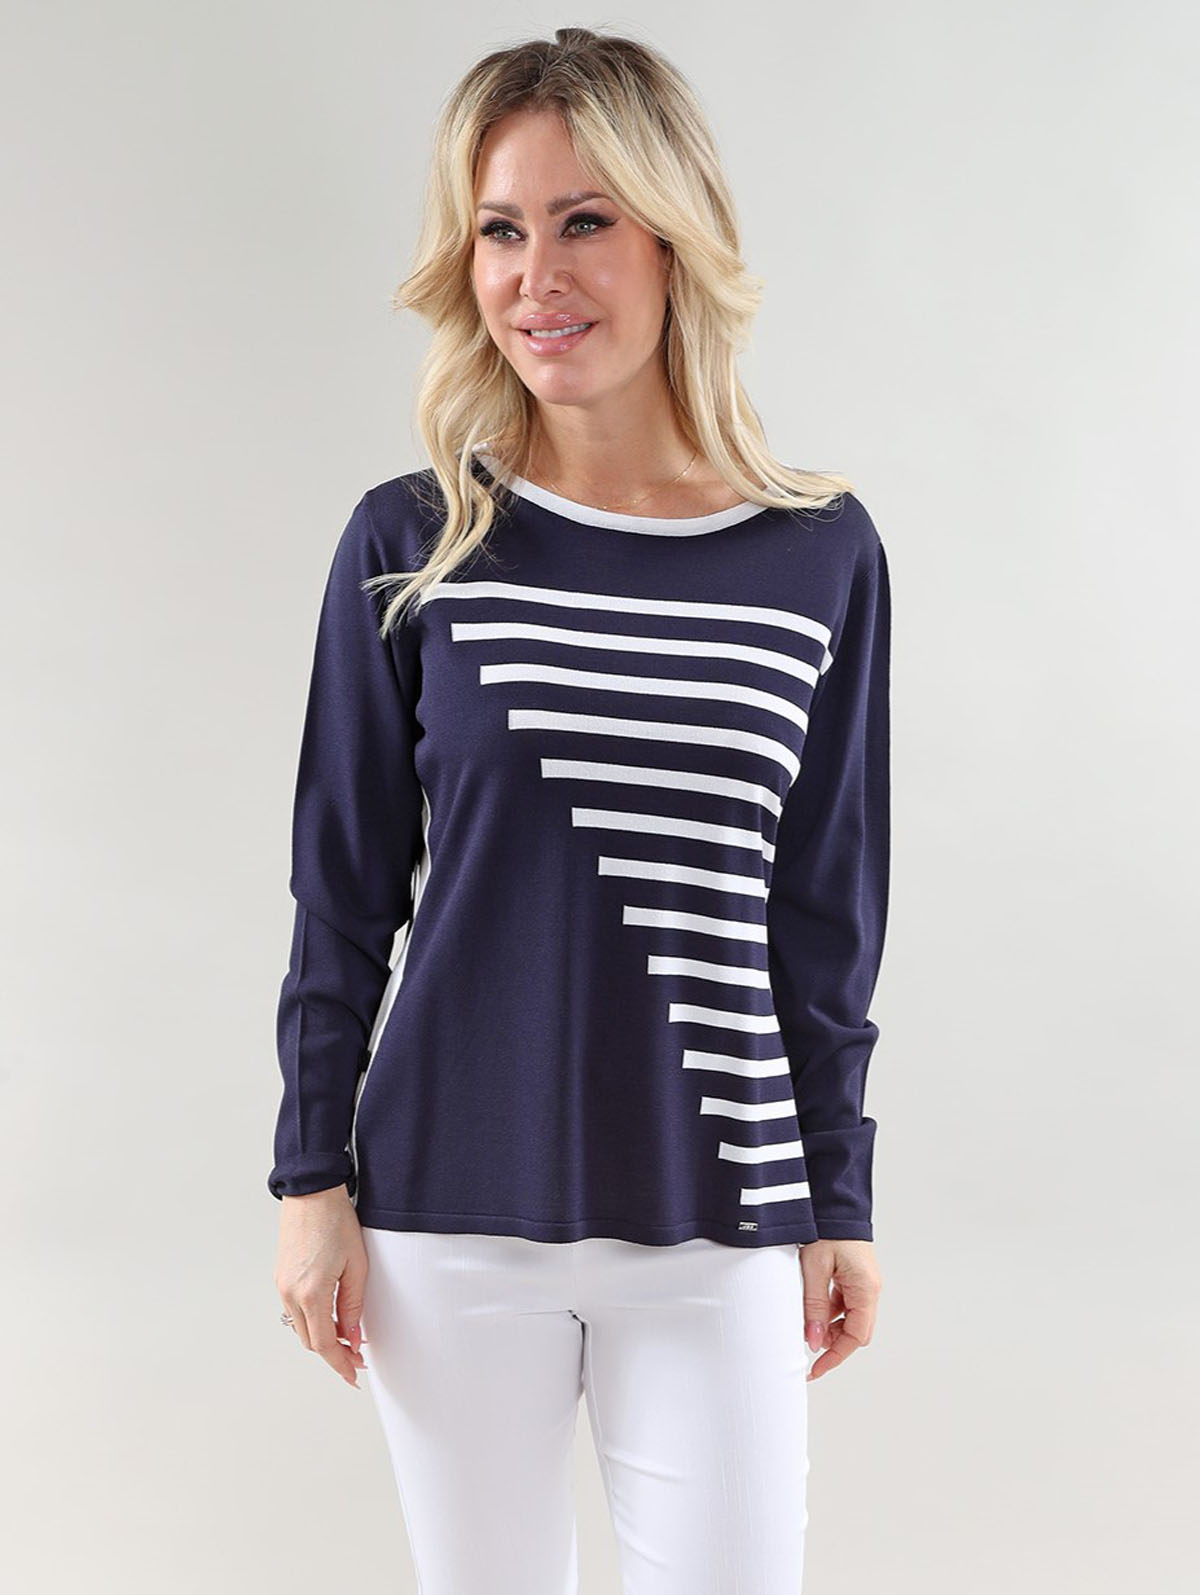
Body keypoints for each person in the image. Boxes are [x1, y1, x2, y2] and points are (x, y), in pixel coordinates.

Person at [268, 25, 891, 1595]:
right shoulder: (414, 545)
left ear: (676, 239)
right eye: (500, 230)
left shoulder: (819, 553)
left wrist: (839, 1195)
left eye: (585, 221)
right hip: (446, 1216)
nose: (535, 276)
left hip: (721, 1207)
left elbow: (824, 914)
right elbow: (343, 894)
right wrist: (309, 1182)